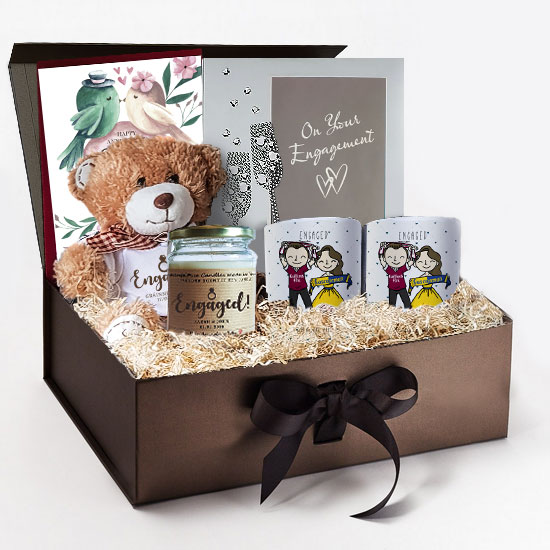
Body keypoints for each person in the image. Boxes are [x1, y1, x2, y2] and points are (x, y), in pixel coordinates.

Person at [279, 241, 315, 308]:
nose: (296, 259)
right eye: (291, 257)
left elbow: (312, 261)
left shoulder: (303, 268)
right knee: (292, 306)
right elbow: (282, 258)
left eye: (302, 257)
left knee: (308, 303)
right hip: (292, 289)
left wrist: (313, 250)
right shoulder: (289, 268)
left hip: (303, 288)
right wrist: (282, 247)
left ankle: (310, 311)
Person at [379, 242, 414, 308]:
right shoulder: (388, 268)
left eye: (401, 257)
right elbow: (381, 260)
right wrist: (382, 248)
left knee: (407, 303)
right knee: (392, 305)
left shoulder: (402, 268)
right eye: (390, 257)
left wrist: (412, 250)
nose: (395, 259)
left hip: (402, 288)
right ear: (385, 258)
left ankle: (408, 312)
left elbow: (411, 261)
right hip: (392, 288)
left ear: (406, 258)